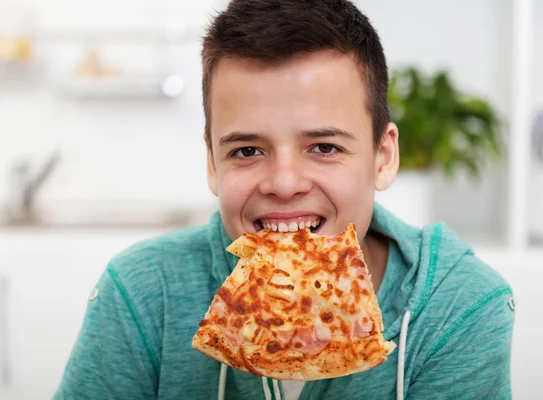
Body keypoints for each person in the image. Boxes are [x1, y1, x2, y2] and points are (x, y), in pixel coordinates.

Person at [53, 0, 515, 399]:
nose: (285, 182)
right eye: (247, 151)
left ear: (382, 157)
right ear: (213, 164)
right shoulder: (143, 293)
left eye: (324, 147)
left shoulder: (458, 305)